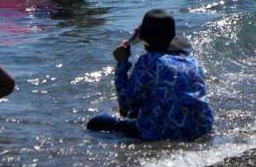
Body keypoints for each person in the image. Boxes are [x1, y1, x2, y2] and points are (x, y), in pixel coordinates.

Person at [86, 9, 214, 141]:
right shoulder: (191, 60)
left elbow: (126, 106)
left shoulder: (149, 62)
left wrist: (121, 65)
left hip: (165, 132)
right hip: (202, 128)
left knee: (96, 122)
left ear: (145, 40)